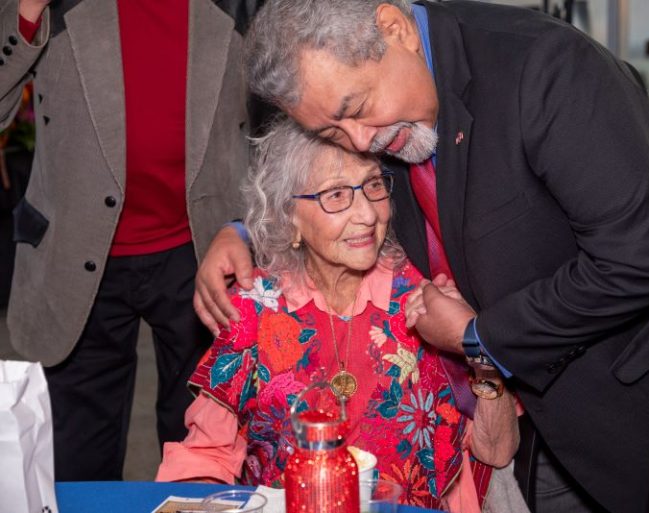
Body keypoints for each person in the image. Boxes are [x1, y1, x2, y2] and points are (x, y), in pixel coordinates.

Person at [194, 1, 649, 512]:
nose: (360, 140)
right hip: (550, 417)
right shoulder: (393, 114)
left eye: (357, 106)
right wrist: (247, 229)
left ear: (396, 29)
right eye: (332, 130)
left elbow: (638, 260)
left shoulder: (545, 68)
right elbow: (339, 182)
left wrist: (479, 337)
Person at [156, 116, 522, 512]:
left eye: (374, 185)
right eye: (335, 194)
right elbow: (206, 455)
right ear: (289, 217)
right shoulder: (254, 308)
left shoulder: (427, 298)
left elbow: (497, 451)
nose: (367, 214)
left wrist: (474, 343)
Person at [0, 0, 267, 480]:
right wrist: (26, 11)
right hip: (75, 257)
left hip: (207, 253)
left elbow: (285, 108)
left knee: (204, 461)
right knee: (76, 469)